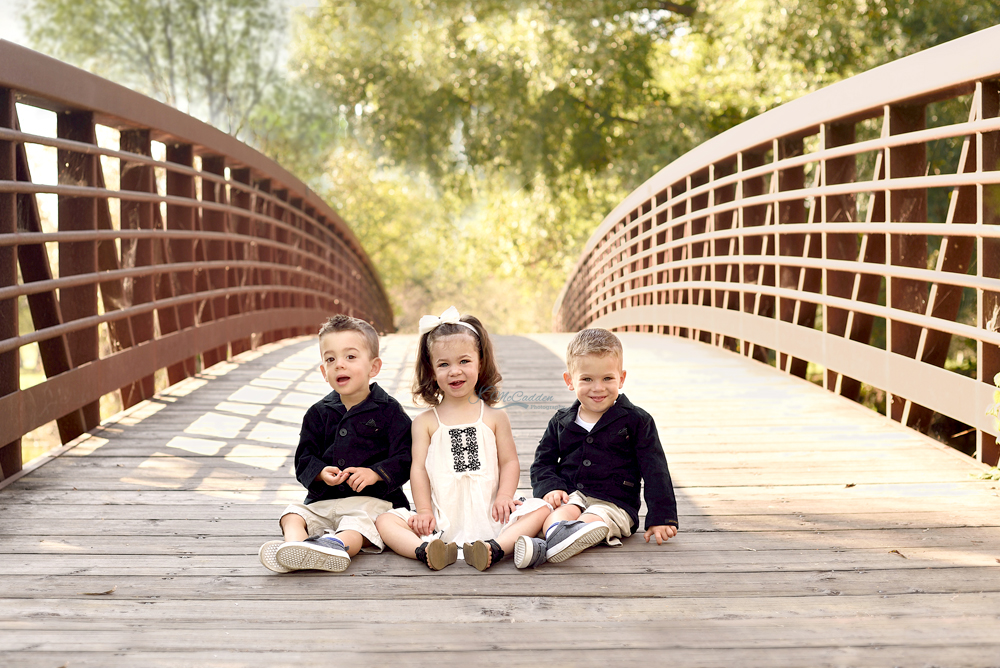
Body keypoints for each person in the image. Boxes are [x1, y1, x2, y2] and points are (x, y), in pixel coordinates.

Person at [376, 306, 549, 571]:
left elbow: (509, 461)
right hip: (441, 519)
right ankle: (426, 551)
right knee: (385, 521)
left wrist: (504, 496)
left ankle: (494, 548)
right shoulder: (425, 422)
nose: (454, 371)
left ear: (480, 362)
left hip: (491, 513)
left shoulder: (494, 417)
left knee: (541, 509)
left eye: (464, 361)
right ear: (431, 371)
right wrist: (424, 511)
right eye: (443, 364)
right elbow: (418, 469)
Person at [258, 314, 412, 573]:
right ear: (324, 372)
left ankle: (334, 546)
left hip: (372, 502)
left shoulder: (389, 411)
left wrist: (376, 473)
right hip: (325, 501)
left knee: (358, 527)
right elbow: (304, 458)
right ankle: (294, 547)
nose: (339, 364)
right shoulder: (318, 413)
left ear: (374, 367)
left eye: (350, 357)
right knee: (292, 515)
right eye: (331, 359)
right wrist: (320, 472)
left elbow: (406, 457)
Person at [514, 328, 678, 569]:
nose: (598, 388)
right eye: (587, 379)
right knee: (559, 515)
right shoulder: (561, 421)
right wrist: (551, 487)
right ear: (570, 381)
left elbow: (655, 470)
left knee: (595, 518)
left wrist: (661, 517)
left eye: (607, 379)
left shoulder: (637, 421)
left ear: (621, 378)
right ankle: (557, 536)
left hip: (615, 503)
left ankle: (551, 543)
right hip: (573, 497)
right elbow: (542, 463)